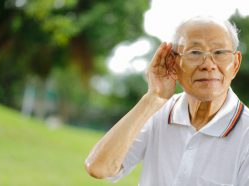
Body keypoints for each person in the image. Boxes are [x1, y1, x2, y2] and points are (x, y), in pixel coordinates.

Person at [85, 16, 249, 186]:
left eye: (219, 52)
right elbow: (99, 167)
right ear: (174, 63)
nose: (208, 64)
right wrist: (153, 97)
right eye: (195, 52)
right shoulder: (158, 112)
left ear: (235, 64)